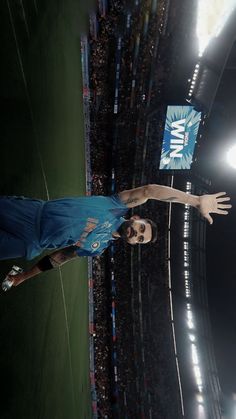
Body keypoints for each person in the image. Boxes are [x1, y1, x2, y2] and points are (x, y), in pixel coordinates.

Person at [0, 184, 231, 291]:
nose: (136, 234)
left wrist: (24, 277)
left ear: (133, 244)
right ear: (137, 217)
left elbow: (59, 257)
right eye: (141, 229)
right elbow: (150, 191)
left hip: (31, 244)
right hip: (30, 213)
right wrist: (195, 201)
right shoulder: (116, 205)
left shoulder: (96, 248)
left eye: (140, 239)